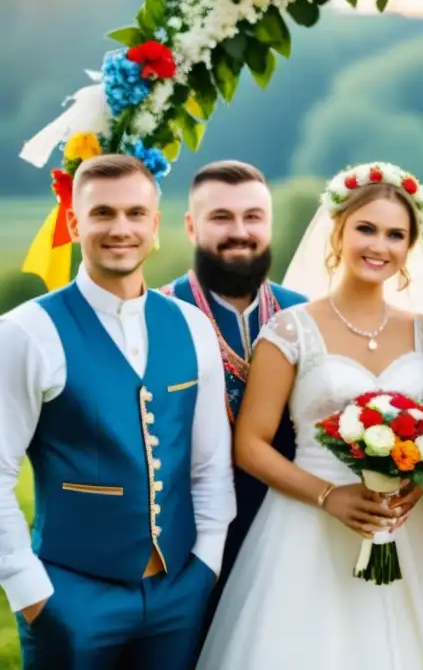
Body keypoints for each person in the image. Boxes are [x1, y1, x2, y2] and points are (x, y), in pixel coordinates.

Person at [195, 162, 423, 669]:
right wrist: (330, 497)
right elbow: (249, 444)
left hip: (408, 528)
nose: (380, 245)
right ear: (338, 231)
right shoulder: (291, 331)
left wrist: (417, 478)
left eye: (396, 234)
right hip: (306, 527)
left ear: (408, 249)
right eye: (366, 229)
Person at [0, 154, 236, 669]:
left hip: (180, 591)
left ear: (154, 225)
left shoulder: (193, 327)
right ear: (73, 222)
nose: (120, 228)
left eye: (135, 214)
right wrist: (32, 594)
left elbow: (209, 464)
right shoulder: (26, 332)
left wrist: (205, 568)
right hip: (71, 596)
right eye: (102, 213)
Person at [158, 160, 305, 637]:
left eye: (252, 217)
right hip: (183, 544)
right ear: (190, 225)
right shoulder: (157, 316)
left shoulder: (306, 314)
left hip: (288, 536)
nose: (238, 232)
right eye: (221, 217)